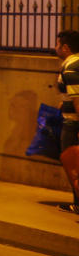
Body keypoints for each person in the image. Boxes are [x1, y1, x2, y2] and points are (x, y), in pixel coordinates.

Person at [54, 30, 79, 214]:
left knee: (73, 165)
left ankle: (77, 203)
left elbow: (78, 98)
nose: (55, 48)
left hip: (73, 123)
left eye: (57, 45)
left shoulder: (70, 67)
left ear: (65, 47)